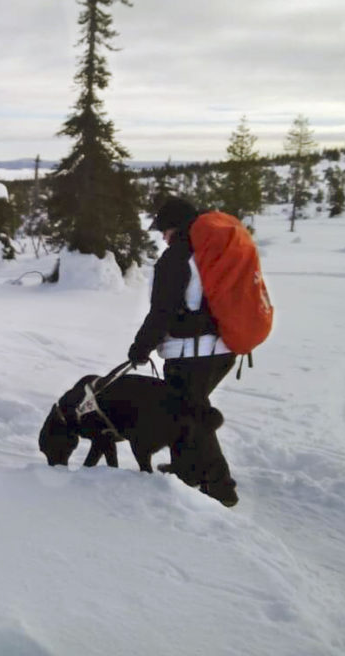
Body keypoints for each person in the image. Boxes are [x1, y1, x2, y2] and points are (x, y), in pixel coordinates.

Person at [127, 196, 239, 507]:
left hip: (192, 354)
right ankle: (185, 472)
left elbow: (162, 311)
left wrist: (140, 347)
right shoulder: (209, 252)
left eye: (163, 230)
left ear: (174, 227)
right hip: (222, 349)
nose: (162, 236)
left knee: (192, 415)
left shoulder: (177, 258)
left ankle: (220, 487)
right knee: (182, 412)